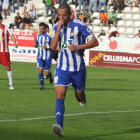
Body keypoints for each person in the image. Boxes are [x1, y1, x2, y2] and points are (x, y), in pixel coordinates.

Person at [51, 3, 99, 138]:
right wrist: (59, 28)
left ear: (70, 14)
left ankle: (82, 98)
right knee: (60, 96)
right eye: (59, 15)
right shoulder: (57, 26)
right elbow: (53, 46)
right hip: (62, 68)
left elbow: (95, 42)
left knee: (79, 95)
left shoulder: (79, 25)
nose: (61, 17)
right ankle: (59, 126)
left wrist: (78, 47)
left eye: (64, 15)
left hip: (78, 69)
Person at [0, 14, 18, 89]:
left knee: (7, 67)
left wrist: (14, 42)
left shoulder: (6, 28)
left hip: (4, 51)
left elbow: (12, 36)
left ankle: (11, 84)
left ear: (1, 20)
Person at [34, 22, 53, 90]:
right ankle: (42, 86)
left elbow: (54, 46)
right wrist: (35, 45)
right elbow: (36, 43)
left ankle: (50, 76)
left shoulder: (49, 36)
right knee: (40, 70)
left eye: (42, 28)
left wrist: (47, 47)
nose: (41, 30)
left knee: (46, 73)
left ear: (45, 29)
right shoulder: (38, 36)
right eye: (40, 28)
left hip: (47, 56)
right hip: (40, 56)